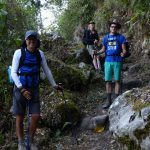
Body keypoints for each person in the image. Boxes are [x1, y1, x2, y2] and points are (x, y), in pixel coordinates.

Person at [11, 30, 62, 150]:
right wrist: (22, 89)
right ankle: (20, 142)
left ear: (37, 41)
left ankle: (31, 140)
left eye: (34, 39)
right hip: (20, 89)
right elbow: (13, 73)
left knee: (36, 116)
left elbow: (47, 70)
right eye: (29, 39)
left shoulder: (40, 54)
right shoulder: (18, 53)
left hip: (34, 89)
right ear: (25, 40)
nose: (31, 41)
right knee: (20, 117)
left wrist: (54, 85)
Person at [98, 20, 127, 109]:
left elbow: (124, 49)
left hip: (117, 60)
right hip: (108, 60)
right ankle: (109, 100)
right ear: (109, 28)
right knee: (108, 81)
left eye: (115, 27)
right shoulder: (105, 38)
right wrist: (97, 52)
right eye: (112, 27)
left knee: (117, 80)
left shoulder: (121, 37)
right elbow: (103, 49)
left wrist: (124, 53)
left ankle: (117, 100)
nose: (113, 28)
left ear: (117, 28)